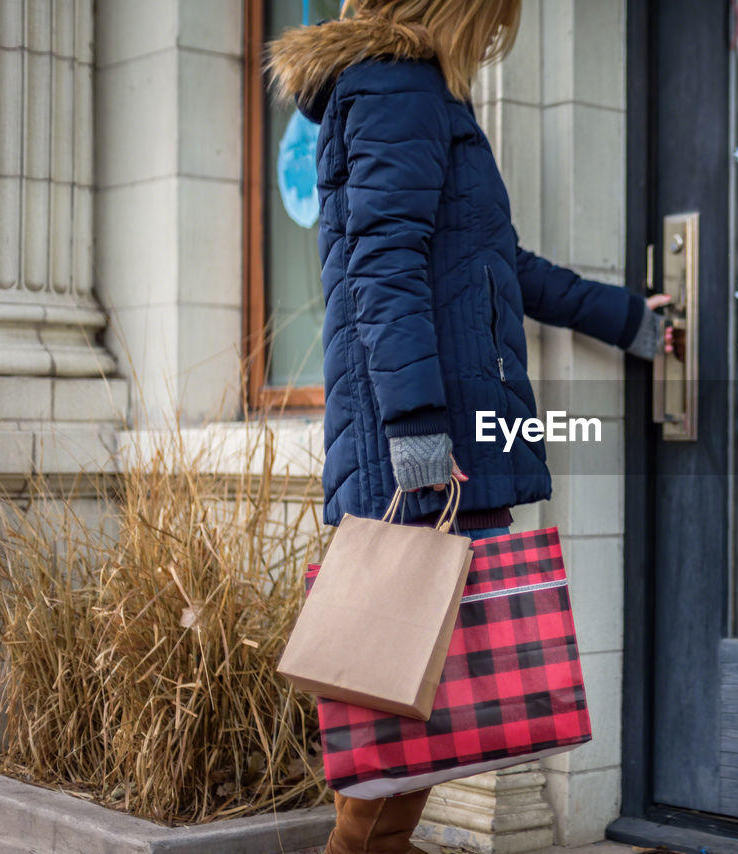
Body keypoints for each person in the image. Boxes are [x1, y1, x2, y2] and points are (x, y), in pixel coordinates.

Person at [268, 2, 667, 851]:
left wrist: (625, 317)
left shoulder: (405, 93)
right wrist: (416, 432)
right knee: (386, 770)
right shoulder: (397, 88)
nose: (493, 42)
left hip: (439, 449)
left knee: (407, 754)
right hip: (423, 460)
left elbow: (495, 262)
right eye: (491, 22)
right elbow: (384, 267)